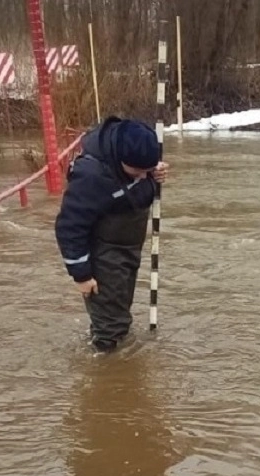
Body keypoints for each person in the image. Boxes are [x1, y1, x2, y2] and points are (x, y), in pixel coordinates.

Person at [54, 116, 168, 353]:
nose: (143, 176)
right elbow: (69, 227)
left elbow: (138, 189)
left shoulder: (136, 161)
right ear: (121, 159)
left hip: (127, 251)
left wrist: (154, 177)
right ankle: (106, 375)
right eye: (138, 171)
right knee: (111, 327)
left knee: (118, 315)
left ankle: (108, 350)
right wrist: (81, 276)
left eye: (149, 170)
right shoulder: (91, 176)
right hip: (104, 256)